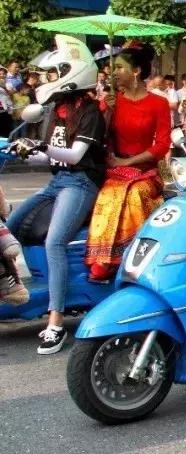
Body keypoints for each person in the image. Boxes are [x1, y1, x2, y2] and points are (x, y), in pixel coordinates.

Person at [6, 39, 107, 354]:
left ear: (71, 74)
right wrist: (20, 151)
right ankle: (11, 286)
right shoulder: (54, 111)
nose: (46, 80)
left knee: (55, 242)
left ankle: (55, 322)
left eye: (53, 74)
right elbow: (49, 158)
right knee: (9, 226)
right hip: (58, 181)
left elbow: (76, 156)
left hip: (80, 183)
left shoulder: (90, 112)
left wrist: (40, 147)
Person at [84, 44, 171, 282]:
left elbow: (162, 145)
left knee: (134, 195)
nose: (113, 73)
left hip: (145, 170)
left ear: (136, 71)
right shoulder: (111, 101)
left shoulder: (158, 103)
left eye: (119, 67)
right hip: (115, 168)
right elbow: (98, 137)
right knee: (109, 195)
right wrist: (107, 112)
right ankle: (102, 259)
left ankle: (132, 256)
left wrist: (130, 160)